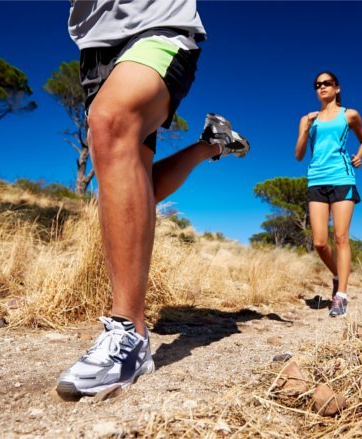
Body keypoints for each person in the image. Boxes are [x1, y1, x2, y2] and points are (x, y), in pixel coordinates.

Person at [56, 0, 249, 397]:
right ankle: (210, 145)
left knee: (109, 121)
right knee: (128, 180)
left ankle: (129, 335)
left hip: (160, 25)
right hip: (95, 44)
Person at [295, 71, 362, 317]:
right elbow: (298, 154)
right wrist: (305, 130)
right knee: (319, 242)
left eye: (327, 83)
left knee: (341, 237)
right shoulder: (308, 118)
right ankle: (339, 274)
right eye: (317, 85)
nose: (322, 87)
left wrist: (359, 155)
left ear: (337, 88)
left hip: (342, 178)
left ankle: (342, 296)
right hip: (316, 179)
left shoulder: (350, 114)